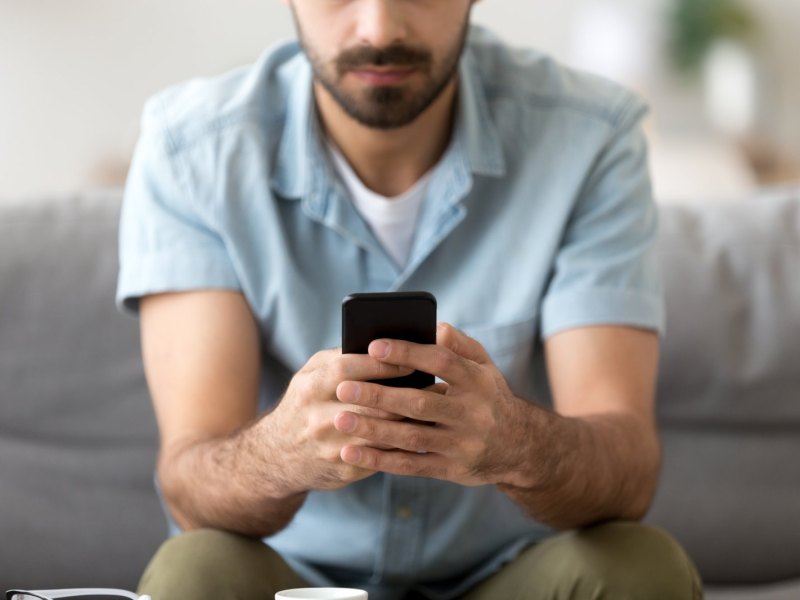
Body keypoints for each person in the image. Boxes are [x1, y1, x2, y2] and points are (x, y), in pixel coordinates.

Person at [117, 1, 702, 598]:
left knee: (639, 567)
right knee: (194, 572)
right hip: (297, 581)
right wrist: (282, 454)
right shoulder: (191, 154)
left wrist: (514, 445)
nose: (379, 29)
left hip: (509, 573)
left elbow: (628, 474)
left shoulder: (590, 137)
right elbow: (189, 486)